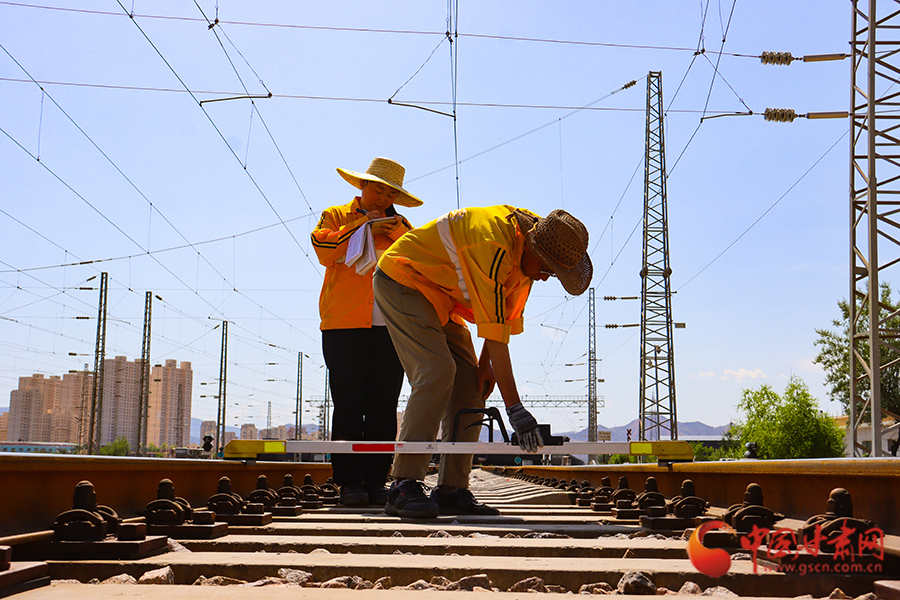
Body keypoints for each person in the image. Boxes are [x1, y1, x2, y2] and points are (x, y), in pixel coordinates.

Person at [373, 206, 592, 518]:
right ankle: (403, 484)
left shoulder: (531, 251)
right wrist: (516, 409)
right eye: (547, 269)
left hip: (442, 297)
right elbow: (498, 332)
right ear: (533, 248)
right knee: (436, 371)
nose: (546, 278)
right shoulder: (492, 245)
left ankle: (451, 489)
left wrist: (485, 366)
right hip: (403, 279)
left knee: (472, 388)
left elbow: (502, 321)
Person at [311, 157, 422, 507]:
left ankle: (376, 480)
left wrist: (393, 234)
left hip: (392, 326)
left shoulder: (403, 225)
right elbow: (324, 250)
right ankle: (348, 483)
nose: (381, 197)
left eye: (390, 192)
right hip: (343, 323)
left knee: (383, 405)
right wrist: (364, 229)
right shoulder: (336, 216)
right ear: (362, 186)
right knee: (347, 403)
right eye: (377, 188)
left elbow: (417, 264)